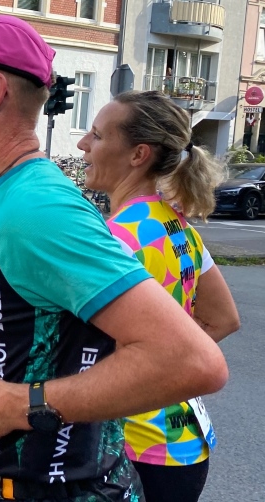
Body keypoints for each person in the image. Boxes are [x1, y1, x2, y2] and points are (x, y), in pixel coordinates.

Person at [0, 15, 228, 502]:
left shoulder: (35, 209)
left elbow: (192, 362)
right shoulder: (7, 194)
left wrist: (16, 406)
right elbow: (45, 333)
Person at [77, 90, 240, 502]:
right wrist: (170, 365)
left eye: (97, 135)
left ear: (138, 154)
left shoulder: (113, 240)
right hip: (184, 444)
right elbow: (222, 319)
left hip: (131, 448)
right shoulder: (177, 224)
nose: (83, 144)